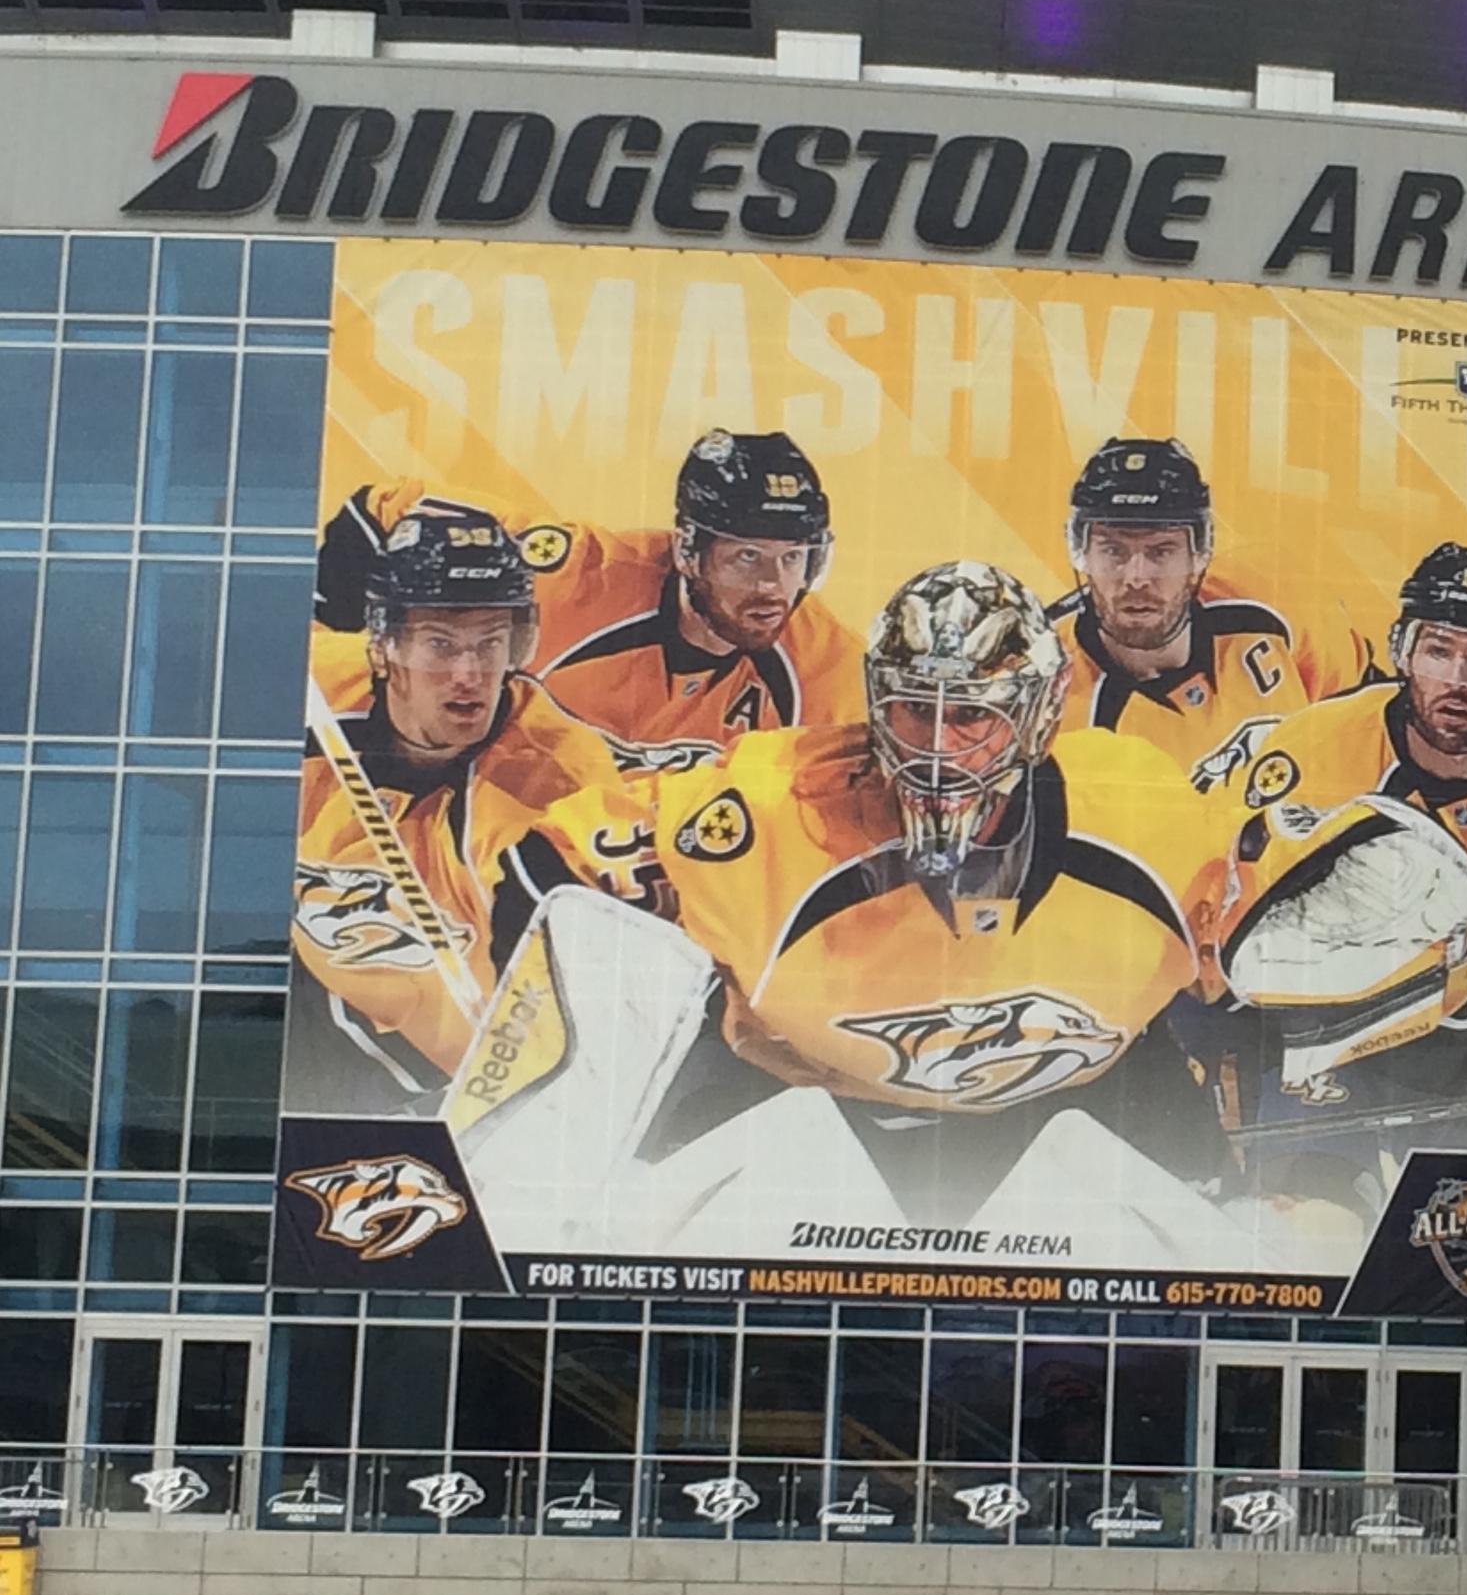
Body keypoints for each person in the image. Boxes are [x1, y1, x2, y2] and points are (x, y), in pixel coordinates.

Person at [634, 559, 1231, 1215]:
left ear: (1039, 713)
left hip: (1076, 1123)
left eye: (971, 713)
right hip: (812, 1128)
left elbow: (1263, 953)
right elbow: (566, 871)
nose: (938, 748)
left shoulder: (1147, 813)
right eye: (917, 707)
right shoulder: (768, 804)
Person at [1210, 542, 1467, 1151]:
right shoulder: (1314, 749)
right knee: (1311, 1209)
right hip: (1320, 1043)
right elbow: (1239, 935)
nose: (1457, 681)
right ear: (1403, 651)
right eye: (1439, 650)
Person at [289, 506, 658, 1102]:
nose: (469, 673)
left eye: (491, 644)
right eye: (440, 644)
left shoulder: (554, 780)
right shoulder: (309, 688)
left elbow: (568, 1000)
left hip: (426, 1077)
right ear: (384, 646)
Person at [316, 429, 860, 774]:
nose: (772, 586)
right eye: (747, 557)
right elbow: (380, 512)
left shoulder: (824, 666)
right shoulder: (579, 577)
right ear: (688, 550)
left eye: (793, 558)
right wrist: (330, 647)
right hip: (497, 835)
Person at [1054, 436, 1307, 787]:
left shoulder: (1272, 597)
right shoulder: (1046, 692)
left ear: (1200, 551)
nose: (1136, 578)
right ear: (1080, 551)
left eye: (1161, 551)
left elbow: (1361, 719)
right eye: (1113, 550)